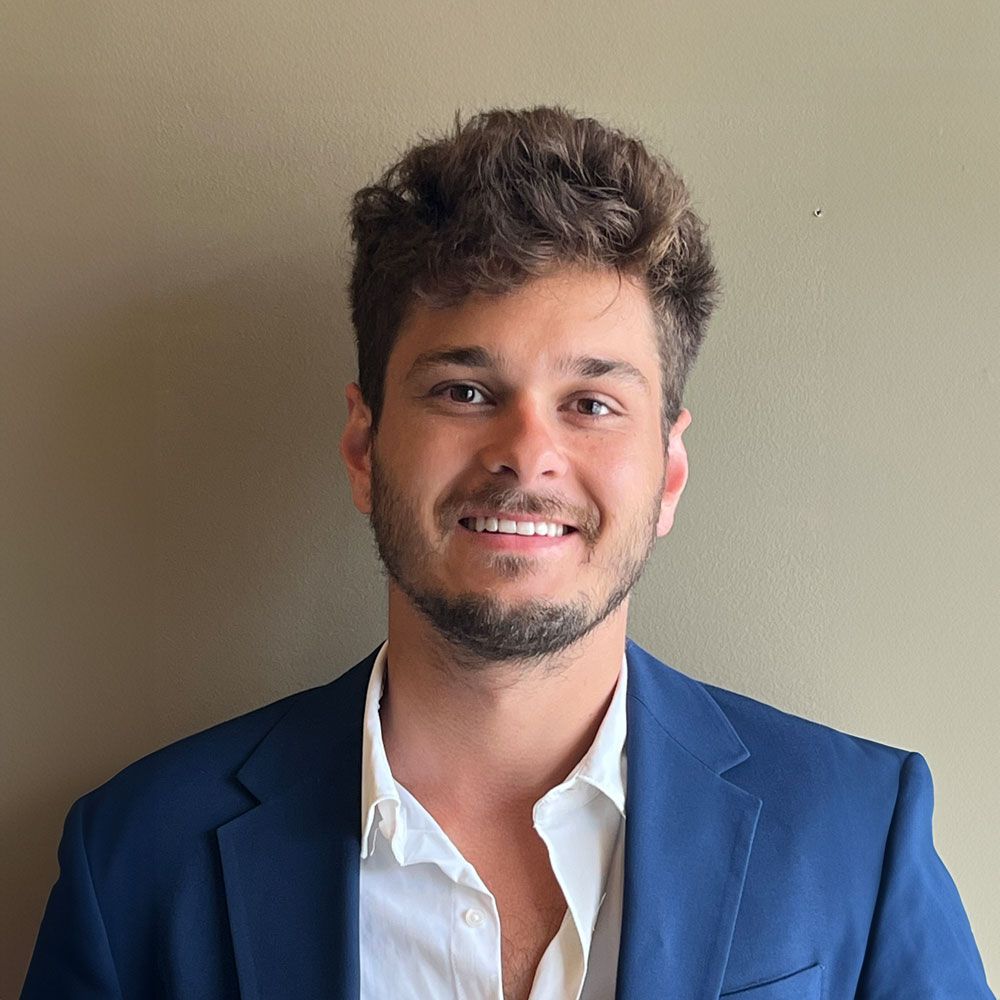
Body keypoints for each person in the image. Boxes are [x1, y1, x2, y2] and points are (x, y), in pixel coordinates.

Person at [23, 106, 993, 1000]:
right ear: (364, 448)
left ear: (668, 470)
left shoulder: (856, 833)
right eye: (464, 391)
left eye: (592, 403)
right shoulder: (137, 858)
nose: (527, 455)